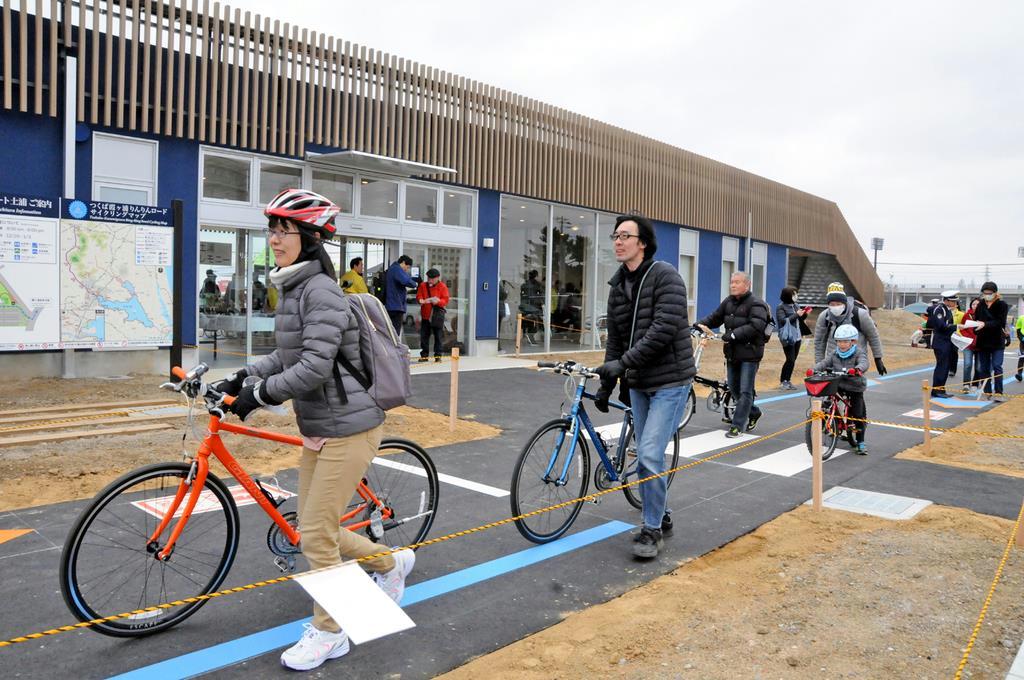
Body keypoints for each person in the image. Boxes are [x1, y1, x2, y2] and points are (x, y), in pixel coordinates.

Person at [212, 188, 414, 672]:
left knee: (318, 535)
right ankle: (390, 563)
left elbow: (314, 368)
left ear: (309, 237)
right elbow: (287, 355)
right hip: (322, 425)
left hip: (350, 427)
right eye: (273, 229)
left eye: (285, 230)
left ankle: (332, 632)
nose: (276, 238)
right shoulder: (295, 288)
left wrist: (258, 396)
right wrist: (243, 374)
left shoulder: (320, 290)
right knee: (312, 531)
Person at [593, 214, 694, 559]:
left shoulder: (666, 277)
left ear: (643, 243)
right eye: (615, 236)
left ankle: (651, 530)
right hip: (639, 382)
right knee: (648, 454)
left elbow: (663, 329)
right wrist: (608, 381)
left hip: (670, 379)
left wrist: (622, 365)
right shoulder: (617, 286)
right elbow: (616, 340)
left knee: (649, 453)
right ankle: (660, 512)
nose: (618, 241)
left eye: (625, 235)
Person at [696, 271, 769, 438]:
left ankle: (737, 425)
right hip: (732, 353)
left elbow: (756, 325)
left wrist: (733, 334)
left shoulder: (757, 304)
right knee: (734, 390)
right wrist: (698, 324)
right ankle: (754, 412)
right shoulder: (728, 302)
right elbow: (715, 318)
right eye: (731, 282)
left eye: (737, 282)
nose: (733, 285)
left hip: (750, 355)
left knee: (745, 391)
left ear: (747, 285)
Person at [811, 323, 869, 454]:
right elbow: (825, 363)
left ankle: (860, 442)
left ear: (853, 341)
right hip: (839, 383)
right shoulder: (834, 353)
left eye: (845, 341)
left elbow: (864, 362)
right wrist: (814, 369)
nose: (841, 344)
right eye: (839, 341)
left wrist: (858, 369)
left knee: (858, 414)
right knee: (828, 400)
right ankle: (834, 422)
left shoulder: (859, 352)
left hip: (855, 386)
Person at [813, 282, 887, 376]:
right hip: (833, 364)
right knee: (832, 389)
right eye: (832, 304)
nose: (835, 306)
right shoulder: (824, 317)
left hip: (855, 364)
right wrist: (820, 365)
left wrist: (878, 358)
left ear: (844, 302)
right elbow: (819, 342)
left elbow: (873, 336)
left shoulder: (860, 314)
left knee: (855, 388)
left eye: (838, 303)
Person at [974, 281, 1009, 402]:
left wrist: (985, 324)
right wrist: (973, 326)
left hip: (997, 341)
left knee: (997, 366)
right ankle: (987, 391)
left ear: (995, 293)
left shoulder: (1002, 305)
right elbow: (976, 319)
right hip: (983, 341)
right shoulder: (980, 304)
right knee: (983, 368)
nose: (987, 295)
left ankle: (999, 392)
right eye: (985, 293)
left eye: (989, 293)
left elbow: (1000, 322)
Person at [775, 286, 811, 390]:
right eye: (794, 294)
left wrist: (805, 314)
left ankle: (788, 380)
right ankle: (783, 381)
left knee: (793, 360)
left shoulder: (796, 305)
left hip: (798, 336)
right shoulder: (780, 307)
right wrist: (796, 314)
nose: (796, 296)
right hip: (788, 336)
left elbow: (799, 319)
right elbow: (782, 321)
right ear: (788, 296)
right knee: (790, 359)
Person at [925, 290, 959, 398]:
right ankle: (936, 390)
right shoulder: (940, 309)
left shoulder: (947, 310)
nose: (955, 303)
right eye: (953, 301)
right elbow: (941, 326)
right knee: (942, 366)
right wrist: (957, 327)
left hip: (946, 341)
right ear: (947, 301)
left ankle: (941, 389)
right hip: (940, 342)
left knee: (946, 365)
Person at [416, 268, 449, 363]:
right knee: (424, 336)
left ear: (437, 278)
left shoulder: (442, 287)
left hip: (436, 316)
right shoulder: (423, 285)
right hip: (426, 315)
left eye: (432, 279)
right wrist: (420, 300)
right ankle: (424, 355)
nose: (430, 280)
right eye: (428, 278)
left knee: (438, 336)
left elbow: (445, 300)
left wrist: (438, 301)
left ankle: (438, 356)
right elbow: (419, 296)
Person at [384, 255, 417, 336]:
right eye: (407, 267)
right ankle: (394, 348)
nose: (406, 270)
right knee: (395, 333)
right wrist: (415, 284)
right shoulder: (396, 269)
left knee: (390, 332)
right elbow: (406, 281)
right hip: (396, 306)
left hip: (391, 305)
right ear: (403, 263)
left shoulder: (392, 269)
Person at [960, 298, 981, 395]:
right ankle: (966, 384)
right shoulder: (966, 315)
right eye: (973, 304)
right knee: (967, 364)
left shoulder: (984, 315)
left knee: (978, 367)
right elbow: (962, 328)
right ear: (971, 305)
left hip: (981, 345)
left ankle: (975, 385)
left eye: (977, 304)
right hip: (968, 344)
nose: (975, 306)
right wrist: (968, 337)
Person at [1015, 311, 1024, 382]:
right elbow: (1018, 330)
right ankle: (1019, 374)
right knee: (1022, 358)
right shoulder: (1021, 318)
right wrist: (1021, 338)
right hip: (1023, 342)